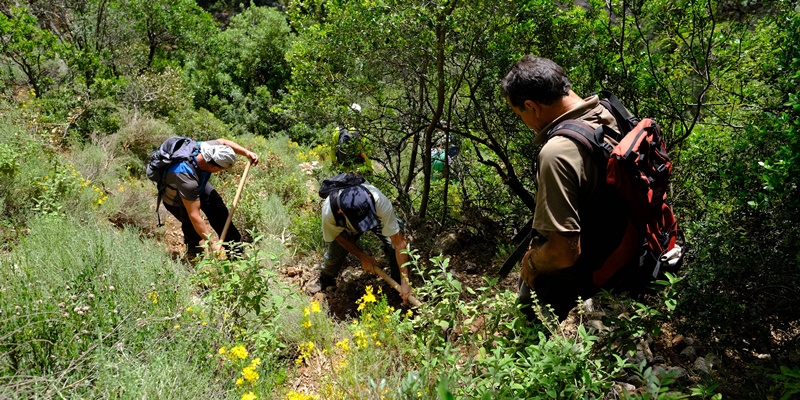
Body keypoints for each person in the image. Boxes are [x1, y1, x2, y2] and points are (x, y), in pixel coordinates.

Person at [501, 55, 628, 321]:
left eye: (519, 114)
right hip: (627, 241)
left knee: (529, 325)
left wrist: (532, 262)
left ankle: (524, 355)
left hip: (592, 258)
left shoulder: (558, 152)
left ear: (531, 106)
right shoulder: (609, 110)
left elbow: (564, 253)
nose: (523, 121)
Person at [311, 180, 411, 303]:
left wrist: (405, 281)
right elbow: (338, 237)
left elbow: (399, 243)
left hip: (376, 216)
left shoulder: (378, 200)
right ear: (342, 212)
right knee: (333, 254)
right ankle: (326, 277)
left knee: (392, 246)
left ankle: (397, 283)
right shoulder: (330, 212)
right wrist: (363, 257)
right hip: (345, 226)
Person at [160, 138, 258, 260]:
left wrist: (246, 152)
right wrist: (212, 244)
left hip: (199, 182)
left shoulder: (209, 149)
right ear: (213, 167)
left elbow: (223, 142)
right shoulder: (186, 176)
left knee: (219, 212)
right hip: (175, 197)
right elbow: (195, 216)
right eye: (221, 169)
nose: (220, 171)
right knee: (191, 222)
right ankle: (193, 250)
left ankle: (236, 252)